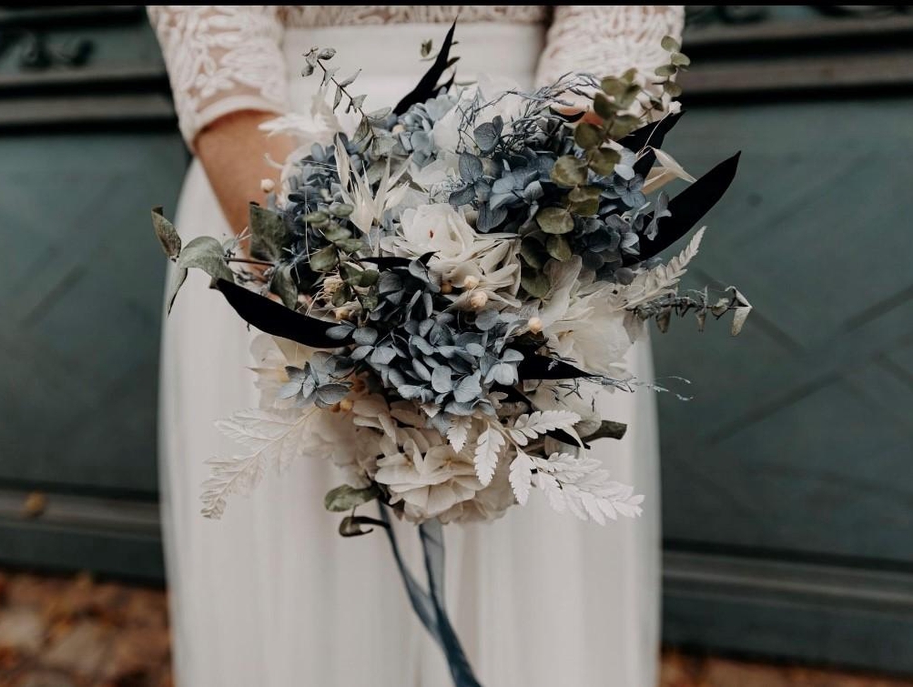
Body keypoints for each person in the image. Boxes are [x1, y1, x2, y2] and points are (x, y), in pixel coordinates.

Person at [148, 6, 684, 686]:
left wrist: (534, 242)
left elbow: (618, 29)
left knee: (528, 554)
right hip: (275, 185)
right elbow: (214, 35)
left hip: (541, 210)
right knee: (309, 554)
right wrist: (320, 282)